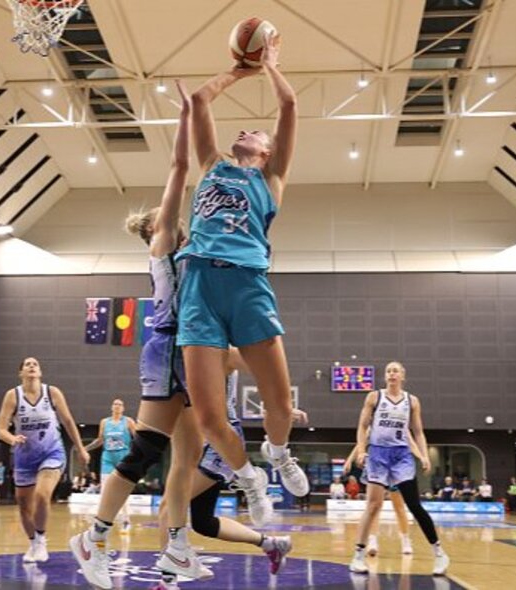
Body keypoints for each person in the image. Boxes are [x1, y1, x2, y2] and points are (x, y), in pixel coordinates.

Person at [72, 81, 210, 589]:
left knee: (189, 455)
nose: (175, 216)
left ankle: (176, 545)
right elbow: (180, 170)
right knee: (147, 452)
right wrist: (188, 116)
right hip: (167, 347)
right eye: (168, 216)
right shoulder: (163, 242)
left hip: (189, 350)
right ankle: (95, 535)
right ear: (158, 227)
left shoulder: (185, 249)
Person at [177, 29, 308, 532]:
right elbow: (198, 99)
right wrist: (239, 68)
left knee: (280, 405)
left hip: (248, 284)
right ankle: (248, 479)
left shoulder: (269, 180)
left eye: (258, 131)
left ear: (268, 152)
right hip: (199, 287)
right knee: (210, 419)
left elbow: (289, 105)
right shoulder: (211, 165)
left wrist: (270, 62)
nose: (249, 130)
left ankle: (278, 452)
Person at [154, 349, 295, 590]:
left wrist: (276, 407)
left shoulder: (220, 351)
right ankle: (272, 545)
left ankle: (168, 582)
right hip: (193, 439)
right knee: (203, 521)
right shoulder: (178, 354)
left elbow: (266, 369)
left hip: (217, 441)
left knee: (169, 506)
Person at [349, 361, 448, 576]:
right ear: (385, 376)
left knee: (413, 505)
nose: (391, 374)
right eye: (388, 371)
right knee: (373, 505)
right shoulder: (374, 397)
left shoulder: (412, 401)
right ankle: (358, 555)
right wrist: (361, 450)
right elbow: (363, 426)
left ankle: (439, 553)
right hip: (377, 454)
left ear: (403, 376)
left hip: (401, 455)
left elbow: (418, 431)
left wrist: (423, 455)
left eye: (395, 371)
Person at [0, 357, 89, 564]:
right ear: (21, 373)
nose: (31, 366)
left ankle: (41, 538)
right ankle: (34, 543)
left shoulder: (52, 393)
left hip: (52, 453)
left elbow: (68, 421)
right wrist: (12, 438)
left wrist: (81, 449)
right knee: (23, 505)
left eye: (35, 364)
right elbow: (1, 429)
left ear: (40, 372)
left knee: (42, 494)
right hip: (24, 456)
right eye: (27, 364)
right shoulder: (13, 396)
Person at [345, 436, 416, 557]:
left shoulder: (400, 425)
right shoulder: (374, 425)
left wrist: (421, 456)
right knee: (374, 507)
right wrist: (349, 460)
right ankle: (372, 540)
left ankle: (405, 540)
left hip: (394, 467)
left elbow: (410, 442)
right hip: (376, 466)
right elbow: (361, 442)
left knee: (399, 507)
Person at [84, 398, 136, 532]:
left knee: (122, 490)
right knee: (105, 489)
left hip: (123, 456)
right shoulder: (104, 422)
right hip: (107, 457)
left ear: (123, 408)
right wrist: (85, 448)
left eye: (120, 404)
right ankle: (101, 521)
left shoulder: (128, 421)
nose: (117, 406)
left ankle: (125, 519)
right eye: (115, 404)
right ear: (112, 407)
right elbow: (100, 439)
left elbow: (138, 438)